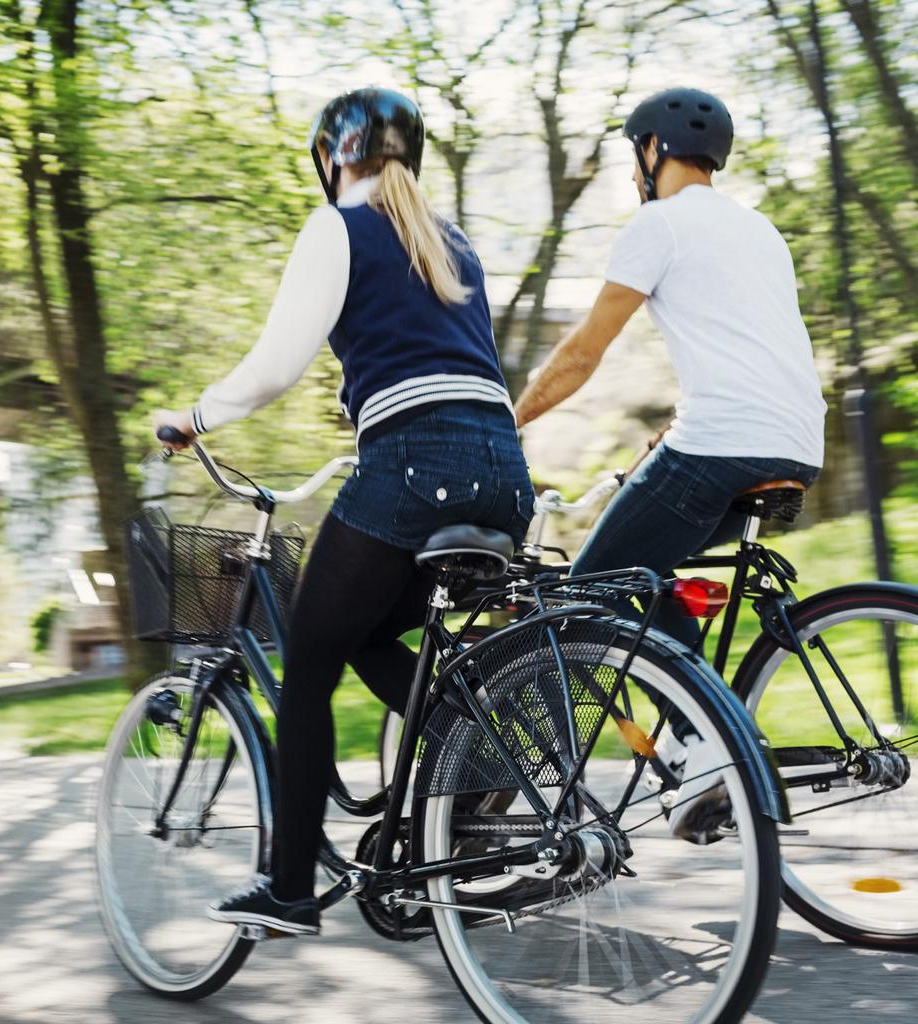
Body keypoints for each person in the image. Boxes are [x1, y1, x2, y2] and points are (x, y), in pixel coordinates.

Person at [154, 87, 535, 933]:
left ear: (333, 157)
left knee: (310, 674)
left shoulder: (339, 225)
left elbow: (275, 364)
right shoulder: (451, 239)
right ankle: (484, 746)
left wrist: (195, 417)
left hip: (413, 470)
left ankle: (289, 889)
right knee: (363, 631)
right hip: (506, 476)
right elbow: (437, 355)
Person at [513, 86, 825, 841]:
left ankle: (697, 744)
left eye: (633, 156)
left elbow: (584, 351)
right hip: (796, 440)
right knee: (650, 582)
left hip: (722, 440)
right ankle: (708, 741)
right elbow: (748, 351)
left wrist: (507, 420)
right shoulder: (761, 232)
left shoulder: (656, 224)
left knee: (587, 591)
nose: (632, 172)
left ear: (652, 151)